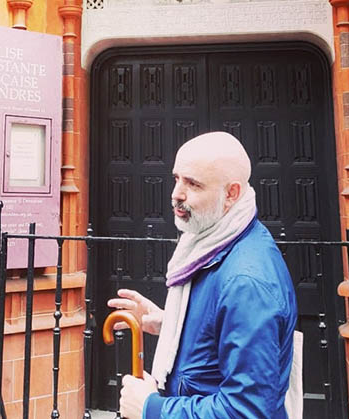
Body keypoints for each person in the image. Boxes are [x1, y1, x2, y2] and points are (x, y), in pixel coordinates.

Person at [107, 131, 297, 418]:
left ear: (231, 194)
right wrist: (168, 322)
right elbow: (217, 333)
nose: (176, 194)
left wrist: (151, 408)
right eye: (176, 178)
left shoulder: (247, 284)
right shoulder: (215, 242)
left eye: (193, 184)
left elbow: (248, 411)